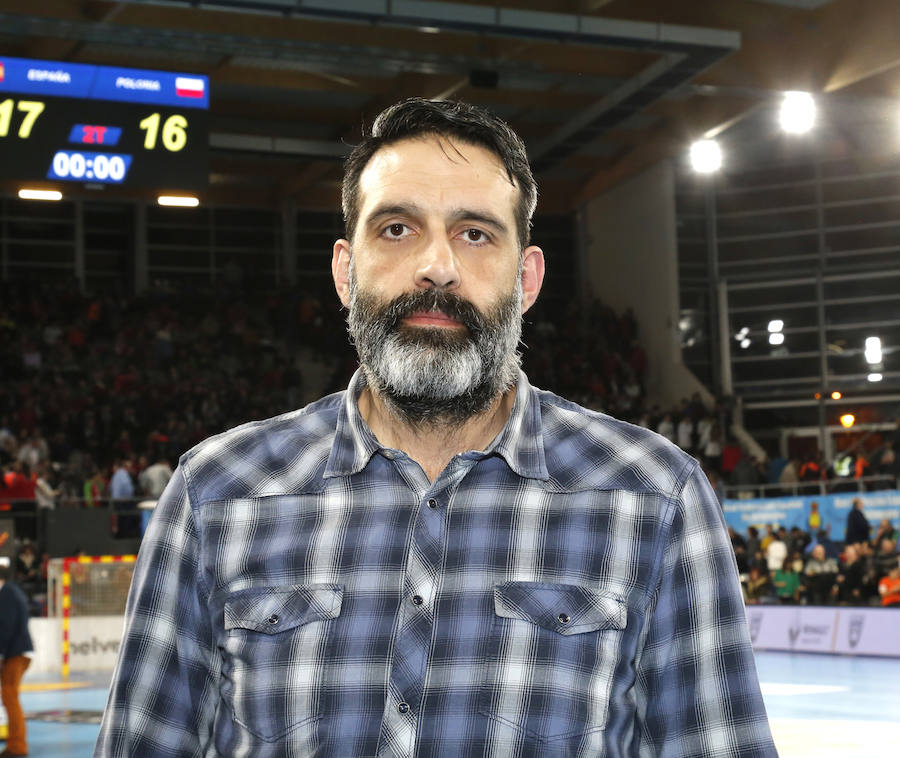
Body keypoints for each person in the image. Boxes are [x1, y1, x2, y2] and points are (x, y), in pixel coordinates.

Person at [95, 98, 776, 757]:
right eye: (397, 228)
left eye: (475, 234)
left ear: (527, 278)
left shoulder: (656, 499)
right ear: (344, 269)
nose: (438, 267)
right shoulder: (215, 495)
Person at [0, 561, 34, 757]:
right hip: (18, 651)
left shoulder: (7, 595)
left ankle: (18, 747)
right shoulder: (12, 591)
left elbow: (5, 627)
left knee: (10, 696)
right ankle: (16, 744)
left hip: (15, 653)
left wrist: (1, 654)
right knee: (10, 696)